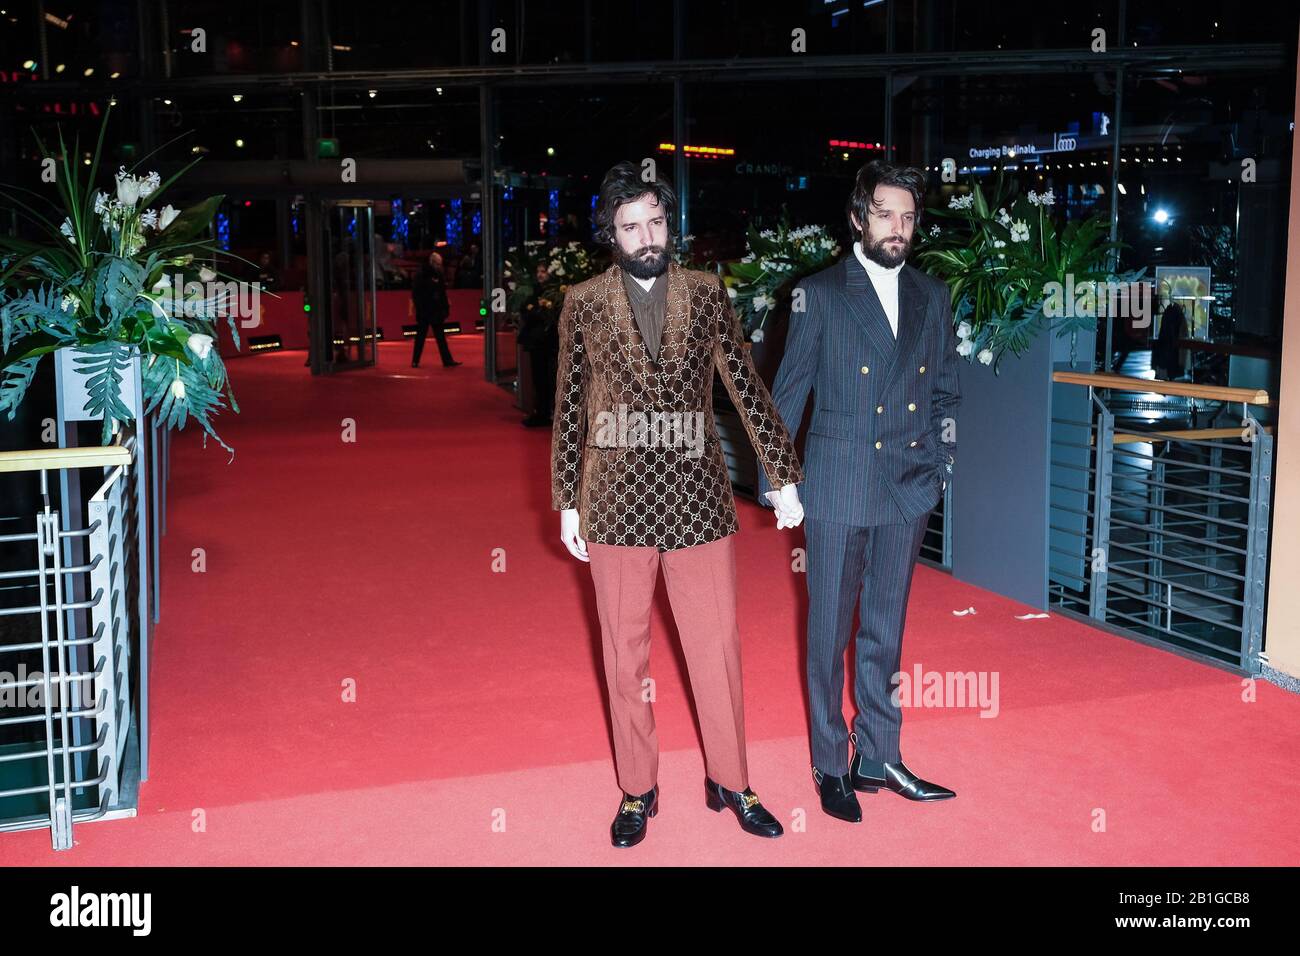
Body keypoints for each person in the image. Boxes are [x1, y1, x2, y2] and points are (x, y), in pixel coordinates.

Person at [551, 162, 806, 848]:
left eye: (655, 222)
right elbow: (571, 403)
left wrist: (780, 474)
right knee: (623, 652)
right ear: (611, 233)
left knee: (716, 645)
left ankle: (731, 778)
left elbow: (744, 386)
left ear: (670, 225)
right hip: (613, 500)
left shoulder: (705, 293)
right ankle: (638, 787)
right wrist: (567, 500)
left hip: (697, 497)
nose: (646, 237)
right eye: (631, 226)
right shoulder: (583, 301)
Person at [758, 159, 961, 823]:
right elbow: (785, 395)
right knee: (828, 633)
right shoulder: (820, 293)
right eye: (884, 213)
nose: (896, 227)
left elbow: (944, 392)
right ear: (857, 218)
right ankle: (828, 760)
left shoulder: (933, 295)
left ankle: (879, 754)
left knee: (885, 630)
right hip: (839, 486)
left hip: (906, 486)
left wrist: (940, 466)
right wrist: (779, 481)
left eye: (907, 216)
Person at [519, 262, 559, 427]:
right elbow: (525, 310)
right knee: (539, 378)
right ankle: (541, 412)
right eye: (538, 271)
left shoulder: (557, 291)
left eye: (543, 271)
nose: (540, 274)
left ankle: (553, 413)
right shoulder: (534, 291)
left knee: (552, 378)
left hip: (551, 341)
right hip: (536, 342)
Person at [410, 252, 461, 368]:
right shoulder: (421, 274)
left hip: (436, 311)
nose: (440, 267)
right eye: (438, 264)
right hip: (424, 310)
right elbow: (416, 294)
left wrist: (445, 309)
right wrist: (420, 308)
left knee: (441, 338)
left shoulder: (439, 274)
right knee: (420, 337)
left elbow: (443, 293)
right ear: (432, 262)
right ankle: (415, 361)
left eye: (440, 264)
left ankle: (447, 360)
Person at [1152, 302, 1187, 381]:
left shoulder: (1169, 313)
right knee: (1171, 358)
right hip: (1172, 343)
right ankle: (1171, 374)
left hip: (1167, 343)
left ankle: (1168, 375)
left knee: (1167, 358)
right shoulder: (1177, 313)